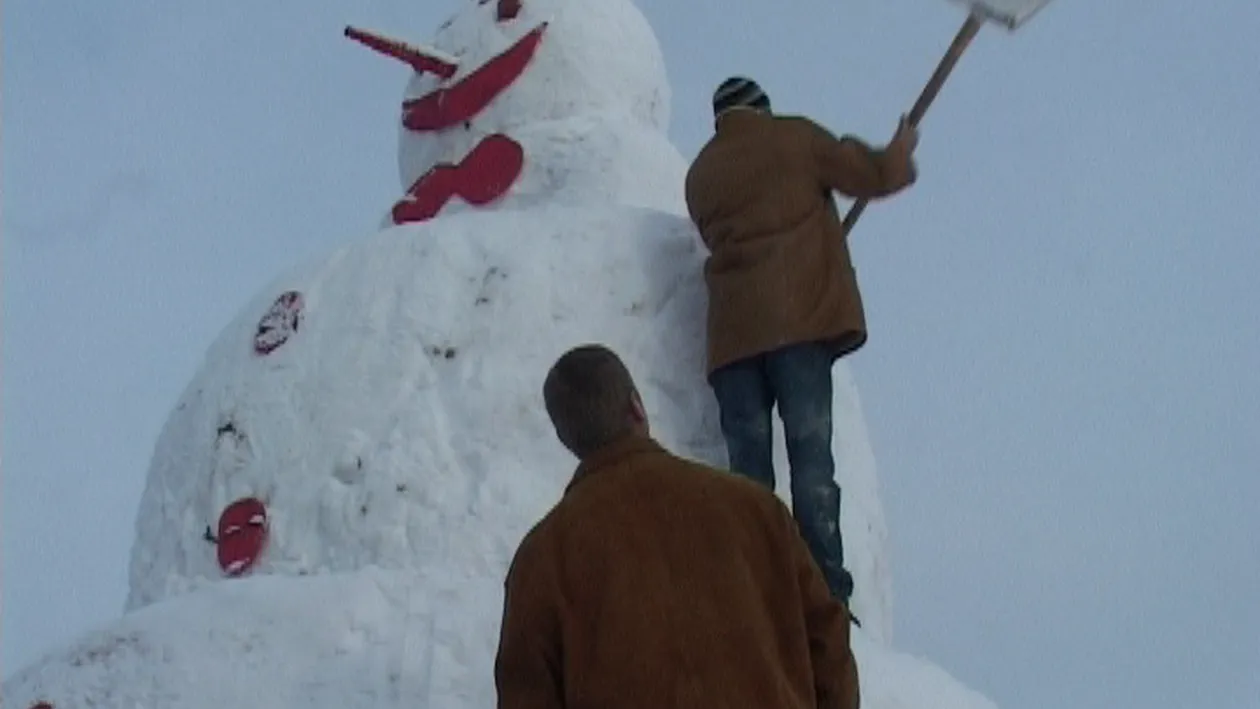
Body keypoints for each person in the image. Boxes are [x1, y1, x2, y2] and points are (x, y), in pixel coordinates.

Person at [494, 343, 859, 709]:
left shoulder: (541, 560)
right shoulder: (758, 510)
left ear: (567, 440)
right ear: (636, 407)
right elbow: (828, 642)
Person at [683, 76, 919, 606]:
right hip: (797, 323)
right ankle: (824, 591)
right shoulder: (795, 139)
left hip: (732, 339)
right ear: (763, 109)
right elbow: (873, 174)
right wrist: (900, 149)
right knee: (811, 460)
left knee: (748, 476)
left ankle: (758, 591)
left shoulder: (700, 175)